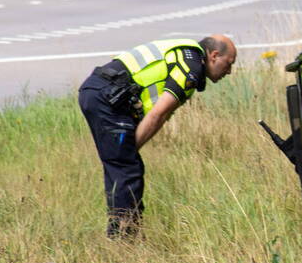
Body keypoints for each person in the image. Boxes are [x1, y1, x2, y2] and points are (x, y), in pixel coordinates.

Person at [78, 34, 237, 237]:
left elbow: (159, 114)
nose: (230, 71)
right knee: (127, 169)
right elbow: (157, 114)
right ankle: (123, 239)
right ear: (214, 55)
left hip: (100, 92)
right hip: (106, 97)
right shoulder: (191, 67)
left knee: (123, 166)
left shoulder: (186, 53)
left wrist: (126, 154)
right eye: (229, 64)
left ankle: (122, 233)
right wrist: (128, 154)